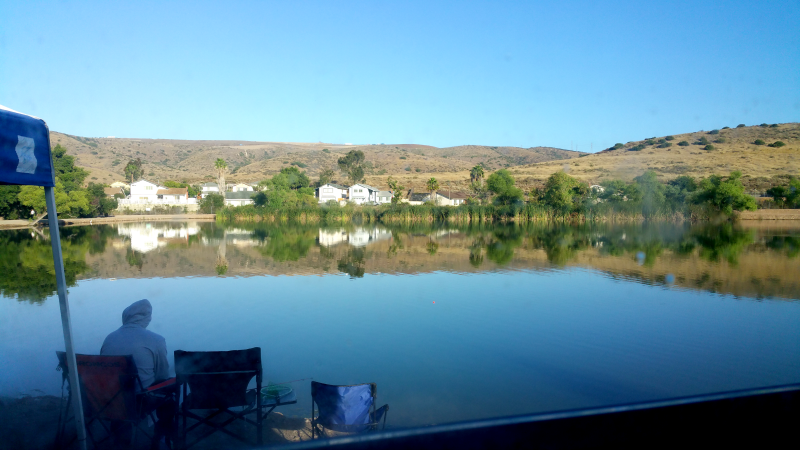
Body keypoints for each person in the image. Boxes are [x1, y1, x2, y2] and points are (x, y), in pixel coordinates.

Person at [101, 299, 176, 447]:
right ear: (147, 318)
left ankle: (120, 437)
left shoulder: (109, 338)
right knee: (170, 394)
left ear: (125, 317)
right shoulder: (156, 340)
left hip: (105, 401)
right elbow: (162, 375)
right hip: (139, 402)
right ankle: (160, 440)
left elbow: (104, 372)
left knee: (121, 389)